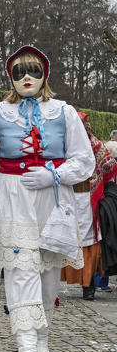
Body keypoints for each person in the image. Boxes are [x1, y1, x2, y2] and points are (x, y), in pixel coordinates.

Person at [0, 45, 94, 352]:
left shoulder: (64, 112)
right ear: (10, 76)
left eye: (33, 71)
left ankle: (42, 335)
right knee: (20, 271)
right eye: (19, 71)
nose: (26, 77)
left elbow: (84, 160)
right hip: (11, 196)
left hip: (52, 198)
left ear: (44, 75)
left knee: (48, 275)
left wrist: (55, 174)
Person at [61, 112, 117, 300]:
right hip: (68, 194)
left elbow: (110, 167)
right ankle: (83, 284)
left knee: (89, 241)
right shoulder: (65, 144)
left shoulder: (94, 145)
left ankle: (89, 284)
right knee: (68, 237)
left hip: (88, 197)